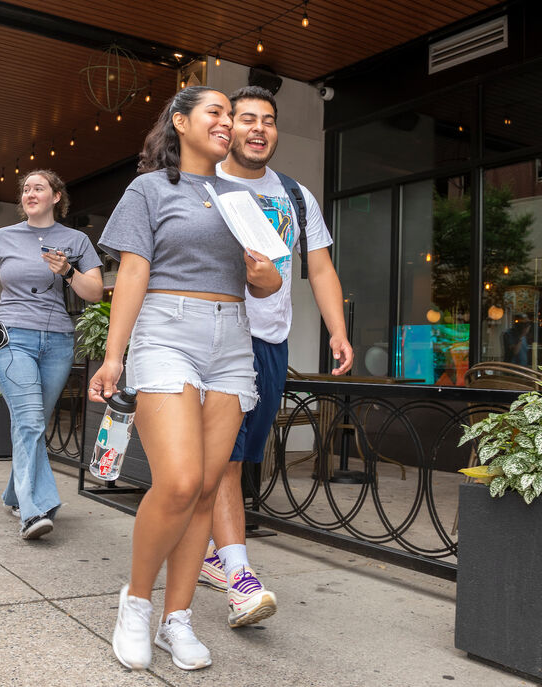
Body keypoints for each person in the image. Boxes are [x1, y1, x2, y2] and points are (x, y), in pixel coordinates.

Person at [89, 86, 281, 672]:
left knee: (204, 488)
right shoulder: (149, 189)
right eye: (216, 113)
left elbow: (266, 287)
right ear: (181, 123)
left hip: (231, 339)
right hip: (165, 331)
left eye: (232, 115)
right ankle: (136, 605)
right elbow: (134, 273)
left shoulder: (239, 197)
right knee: (176, 481)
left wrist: (266, 273)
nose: (228, 122)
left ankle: (178, 620)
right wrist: (113, 355)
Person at [199, 85, 354, 627]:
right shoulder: (205, 186)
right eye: (247, 119)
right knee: (226, 456)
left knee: (240, 455)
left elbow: (322, 268)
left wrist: (338, 330)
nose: (259, 129)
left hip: (269, 341)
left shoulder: (295, 194)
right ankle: (239, 573)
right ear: (227, 128)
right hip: (214, 338)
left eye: (268, 120)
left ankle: (207, 548)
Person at [0, 170, 103, 540]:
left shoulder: (75, 240)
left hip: (59, 342)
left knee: (33, 424)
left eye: (38, 188)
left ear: (56, 197)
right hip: (12, 336)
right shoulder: (3, 237)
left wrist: (67, 271)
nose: (30, 193)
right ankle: (33, 511)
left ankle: (15, 492)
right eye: (26, 188)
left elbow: (94, 292)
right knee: (29, 422)